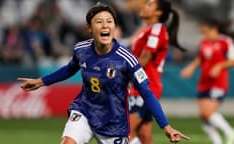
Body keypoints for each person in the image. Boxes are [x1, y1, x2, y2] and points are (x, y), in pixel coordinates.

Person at [18, 3, 189, 144]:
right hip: (84, 110)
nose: (105, 25)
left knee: (143, 137)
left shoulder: (127, 60)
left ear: (114, 27)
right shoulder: (81, 49)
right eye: (99, 22)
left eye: (109, 21)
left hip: (113, 122)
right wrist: (41, 81)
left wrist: (166, 126)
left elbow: (146, 92)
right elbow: (70, 68)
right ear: (90, 28)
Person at [128, 0, 185, 144]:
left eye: (149, 5)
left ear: (158, 13)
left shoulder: (157, 29)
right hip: (145, 86)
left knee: (124, 133)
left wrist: (121, 74)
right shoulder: (148, 29)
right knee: (144, 137)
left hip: (144, 87)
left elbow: (145, 59)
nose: (144, 6)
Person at [181, 18, 234, 144]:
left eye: (203, 26)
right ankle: (217, 141)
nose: (201, 28)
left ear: (212, 28)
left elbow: (232, 60)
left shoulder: (225, 42)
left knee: (208, 113)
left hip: (218, 82)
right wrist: (191, 68)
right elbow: (200, 58)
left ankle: (230, 133)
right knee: (203, 116)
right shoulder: (204, 41)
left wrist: (219, 66)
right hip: (204, 81)